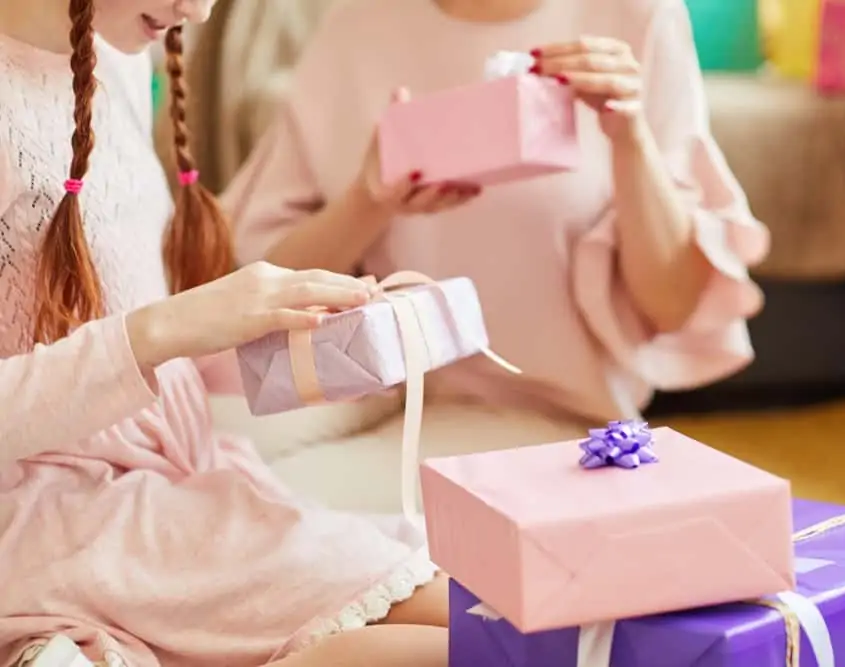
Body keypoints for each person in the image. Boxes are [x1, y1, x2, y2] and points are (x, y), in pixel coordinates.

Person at [0, 0, 452, 665]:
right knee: (477, 636)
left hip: (176, 492)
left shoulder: (116, 61)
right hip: (60, 521)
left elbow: (148, 342)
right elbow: (148, 335)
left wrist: (307, 340)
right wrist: (170, 325)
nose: (201, 11)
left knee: (493, 619)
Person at [221, 0, 771, 504]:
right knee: (190, 469)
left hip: (548, 417)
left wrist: (630, 137)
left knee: (275, 519)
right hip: (368, 392)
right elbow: (265, 285)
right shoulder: (357, 25)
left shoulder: (635, 17)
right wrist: (370, 201)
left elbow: (671, 305)